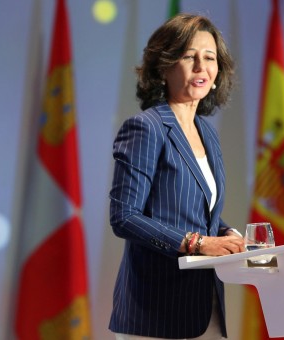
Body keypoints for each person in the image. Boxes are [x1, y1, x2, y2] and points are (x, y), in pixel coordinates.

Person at [108, 13, 245, 340]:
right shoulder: (146, 128)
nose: (201, 66)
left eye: (209, 58)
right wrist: (198, 243)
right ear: (163, 68)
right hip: (156, 312)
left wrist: (229, 234)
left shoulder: (206, 133)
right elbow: (124, 216)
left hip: (205, 306)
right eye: (189, 56)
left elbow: (192, 208)